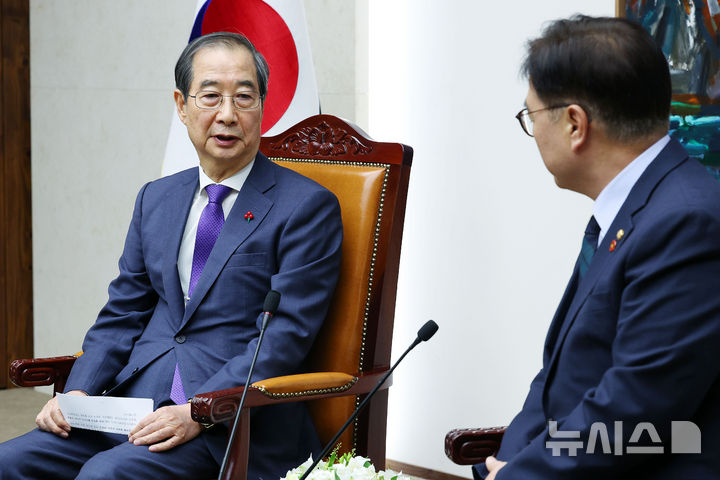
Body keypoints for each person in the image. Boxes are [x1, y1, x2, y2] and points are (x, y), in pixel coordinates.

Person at [0, 32, 342, 480]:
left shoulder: (305, 206)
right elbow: (123, 312)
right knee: (10, 463)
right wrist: (80, 392)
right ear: (181, 105)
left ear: (262, 105)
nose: (227, 115)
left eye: (244, 97)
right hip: (133, 409)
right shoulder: (157, 198)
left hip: (233, 424)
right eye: (211, 96)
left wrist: (198, 410)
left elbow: (283, 337)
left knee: (105, 475)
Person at [478, 15, 720, 479]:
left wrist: (517, 475)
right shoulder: (634, 208)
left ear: (574, 124)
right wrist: (507, 462)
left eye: (531, 115)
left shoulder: (686, 222)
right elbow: (555, 384)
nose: (532, 132)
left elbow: (636, 414)